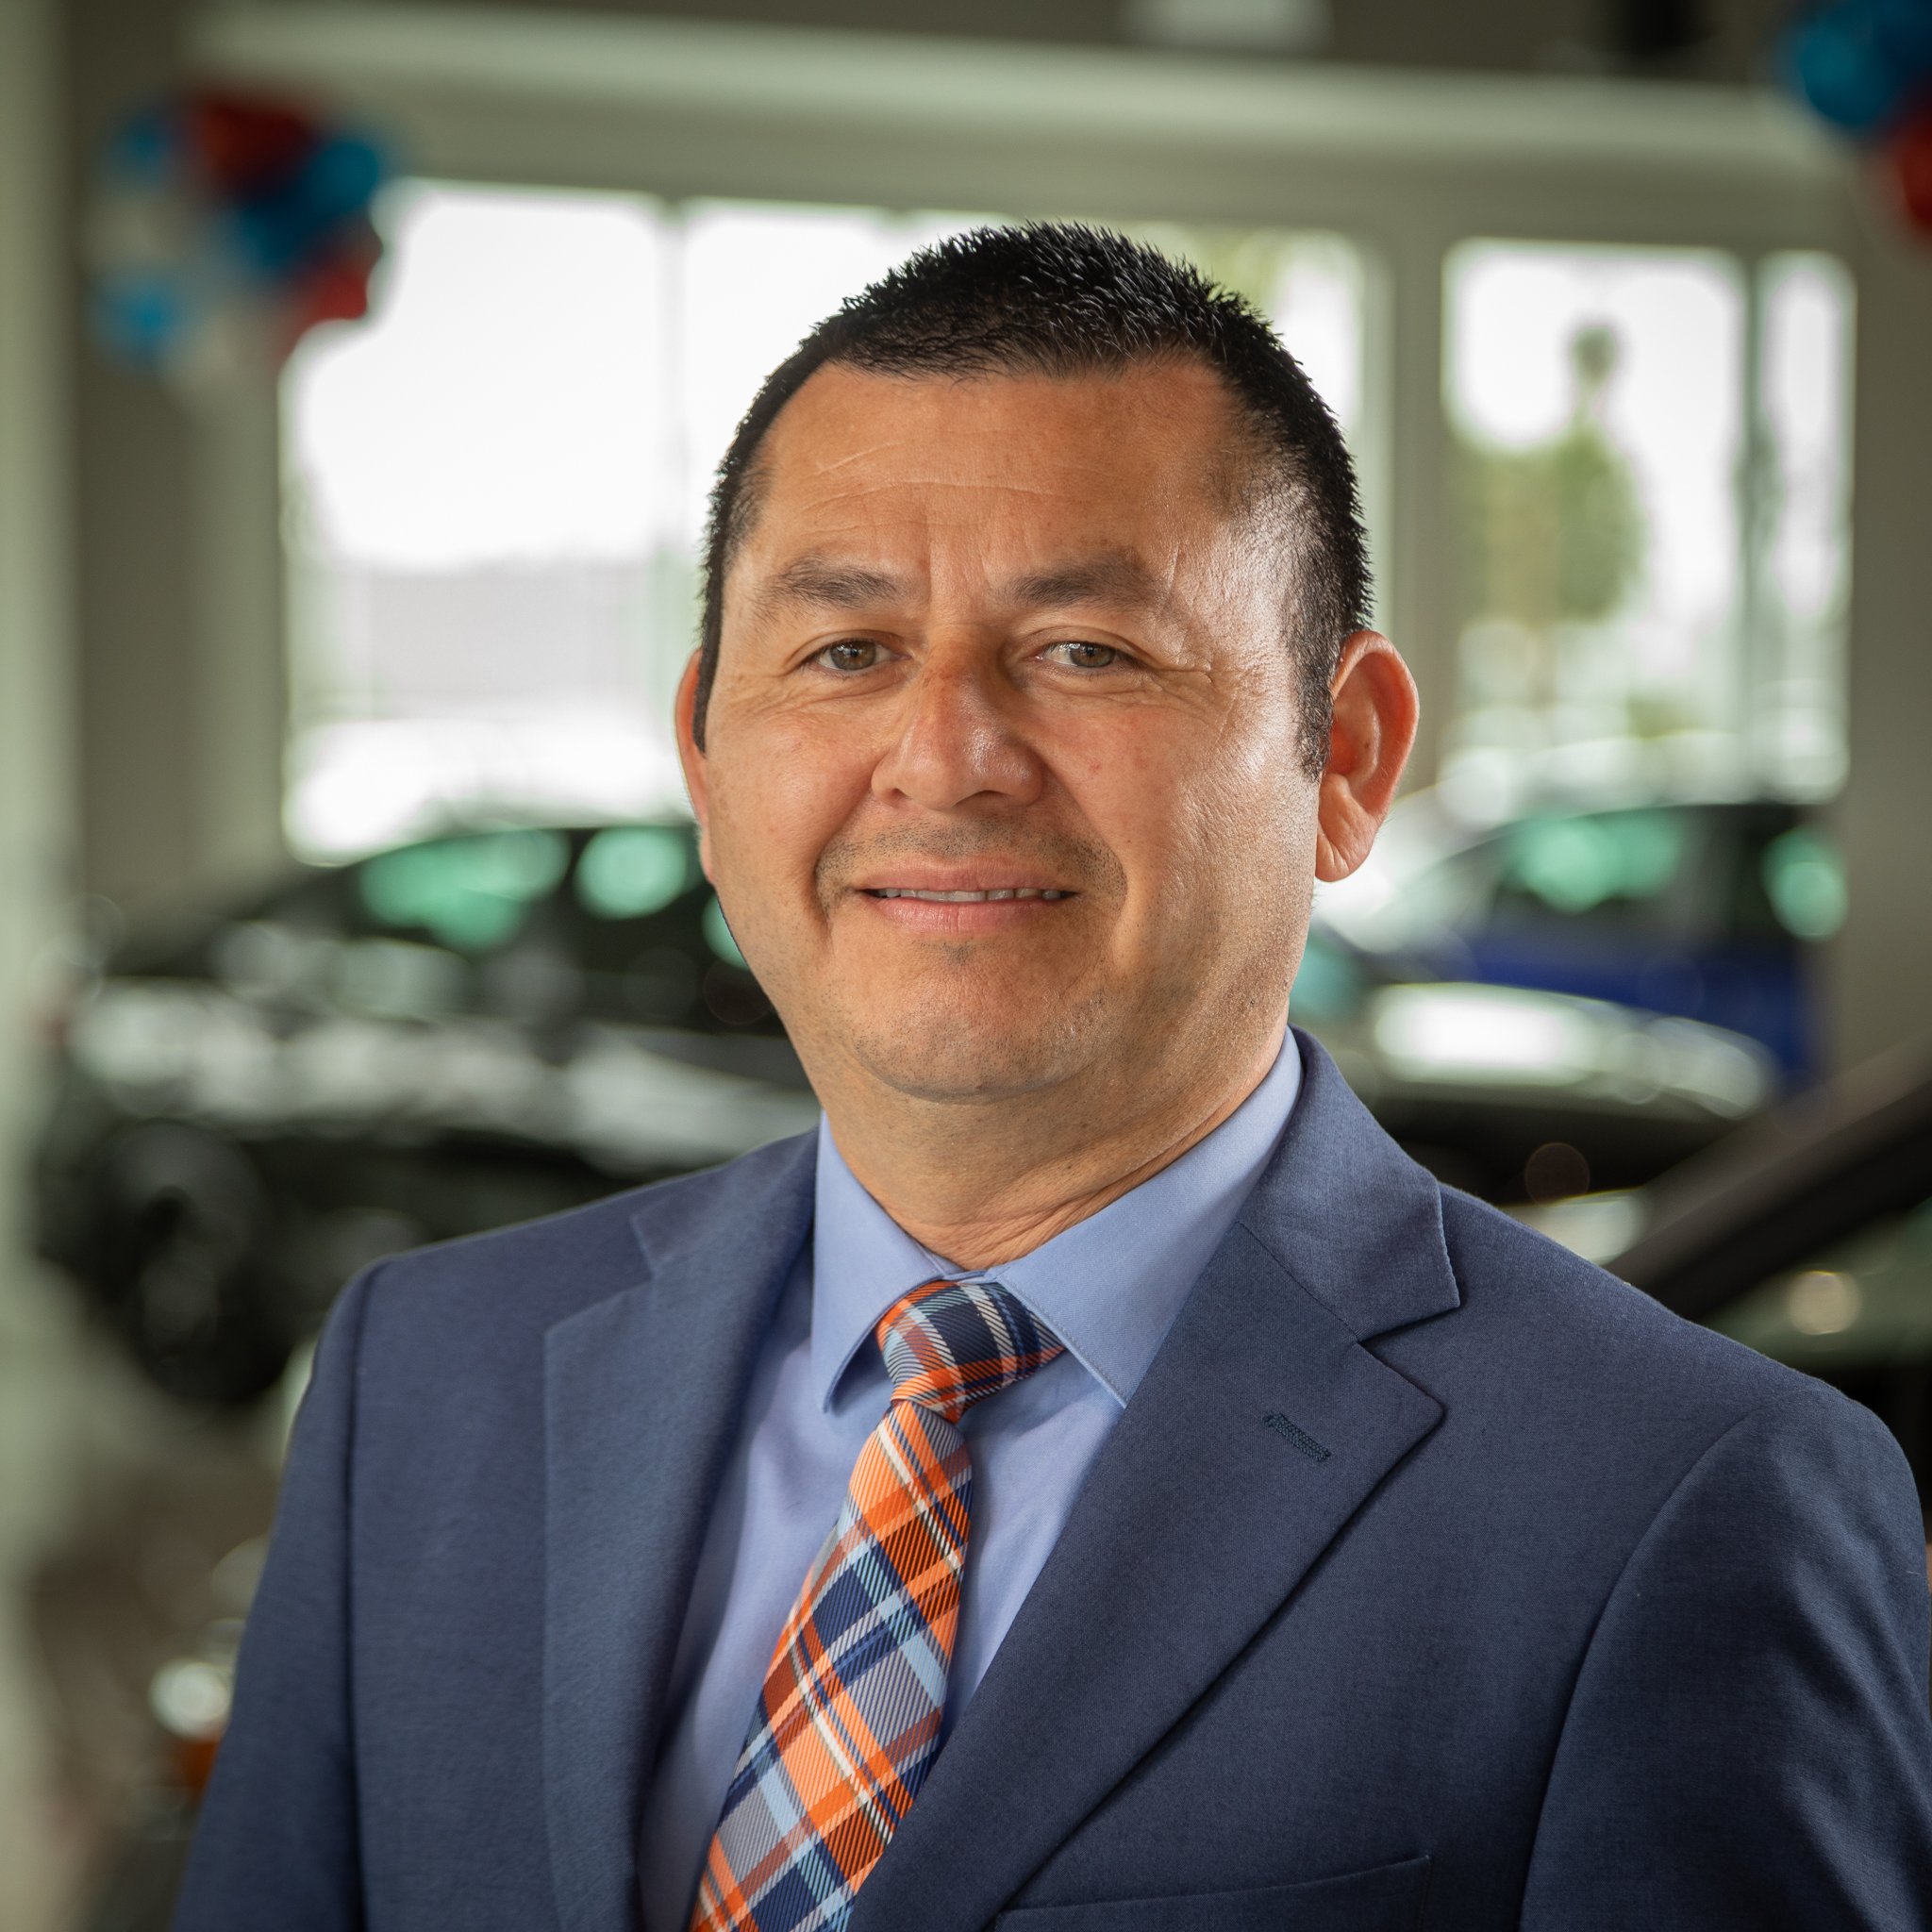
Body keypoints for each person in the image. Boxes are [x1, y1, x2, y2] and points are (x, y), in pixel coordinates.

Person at [175, 225, 1932, 1932]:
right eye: (847, 651)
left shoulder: (1683, 1501)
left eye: (1088, 652)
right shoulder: (427, 1375)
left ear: (1345, 759)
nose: (945, 757)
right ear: (709, 760)